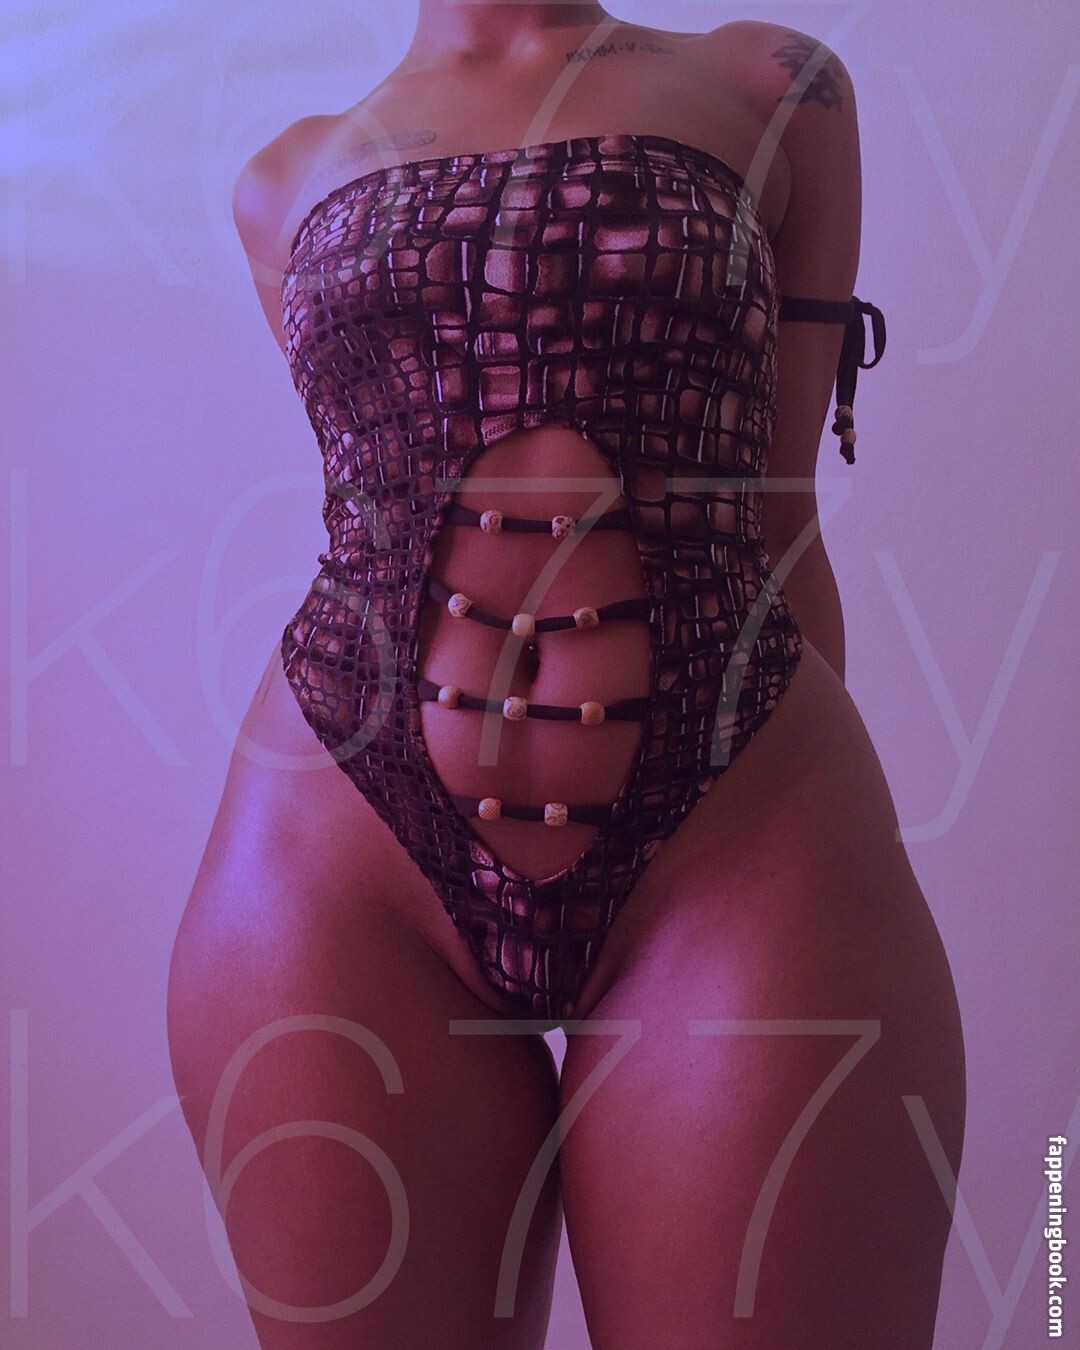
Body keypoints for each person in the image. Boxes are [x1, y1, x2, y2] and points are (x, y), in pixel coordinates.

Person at [168, 6, 966, 1346]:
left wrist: (802, 817)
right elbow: (367, 506)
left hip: (733, 831)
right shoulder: (280, 179)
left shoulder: (776, 86)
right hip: (342, 860)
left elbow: (782, 515)